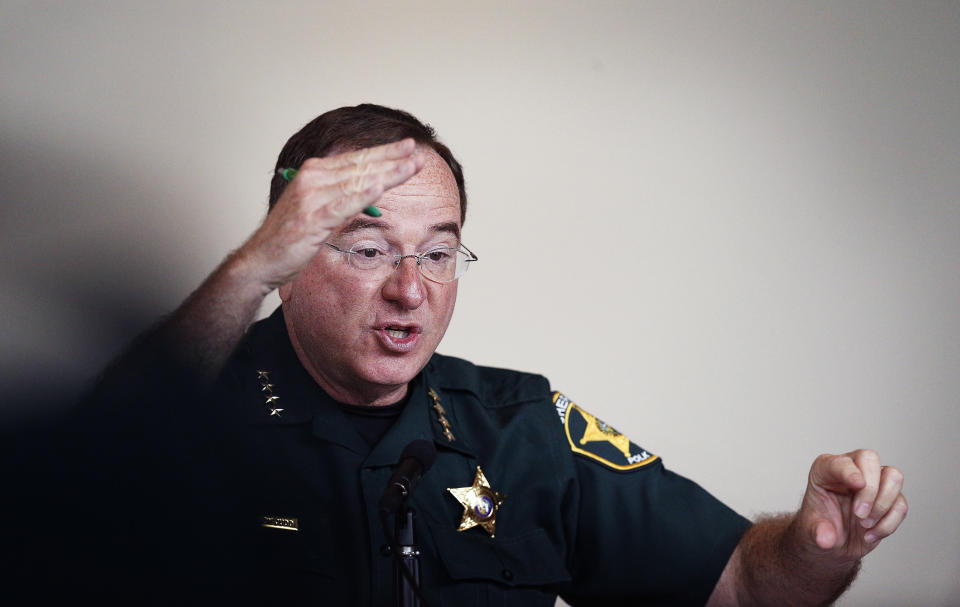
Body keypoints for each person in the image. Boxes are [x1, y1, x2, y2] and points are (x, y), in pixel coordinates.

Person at [97, 104, 907, 605]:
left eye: (439, 253)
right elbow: (87, 465)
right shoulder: (187, 411)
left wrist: (810, 545)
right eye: (371, 250)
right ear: (289, 257)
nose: (411, 291)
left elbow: (743, 585)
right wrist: (246, 267)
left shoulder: (523, 428)